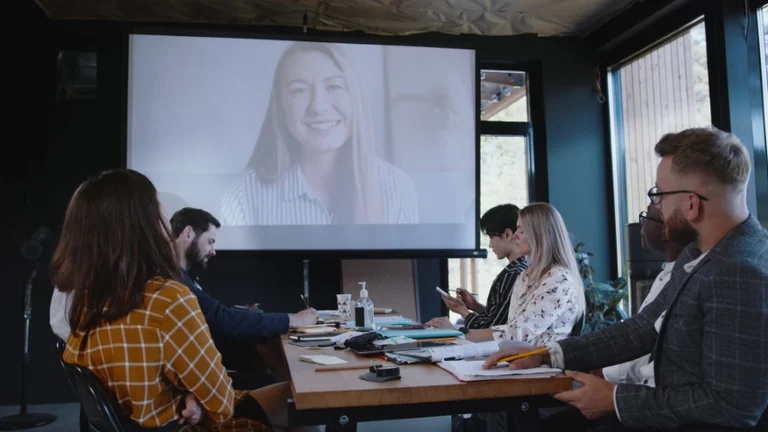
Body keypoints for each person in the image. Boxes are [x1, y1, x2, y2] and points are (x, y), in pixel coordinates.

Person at [485, 127, 768, 431]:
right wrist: (546, 355)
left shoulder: (740, 272)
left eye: (658, 194)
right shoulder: (701, 249)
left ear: (691, 204)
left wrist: (618, 399)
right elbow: (642, 329)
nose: (656, 207)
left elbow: (733, 407)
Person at [51, 169, 292, 432]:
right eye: (157, 205)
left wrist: (185, 395)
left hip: (150, 419)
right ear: (146, 224)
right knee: (300, 404)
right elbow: (221, 402)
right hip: (186, 425)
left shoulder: (83, 302)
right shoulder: (168, 299)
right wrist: (197, 400)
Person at [220, 41, 419, 225]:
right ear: (280, 107)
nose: (318, 106)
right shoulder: (242, 197)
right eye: (300, 90)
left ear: (355, 99)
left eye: (334, 86)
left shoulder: (396, 187)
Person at [462, 202, 586, 345]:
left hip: (542, 364)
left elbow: (519, 333)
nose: (515, 236)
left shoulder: (559, 278)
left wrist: (461, 334)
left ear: (539, 235)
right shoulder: (526, 275)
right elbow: (512, 327)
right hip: (519, 359)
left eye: (521, 231)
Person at [599, 203, 688, 388]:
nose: (641, 225)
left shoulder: (680, 278)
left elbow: (643, 345)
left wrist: (601, 371)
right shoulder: (666, 274)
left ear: (666, 231)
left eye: (646, 216)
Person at [425, 203, 528, 330]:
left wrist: (463, 311)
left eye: (491, 237)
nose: (490, 245)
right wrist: (475, 306)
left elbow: (493, 329)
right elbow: (501, 316)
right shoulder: (521, 268)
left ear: (507, 234)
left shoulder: (512, 274)